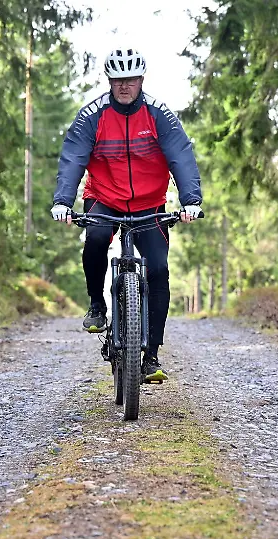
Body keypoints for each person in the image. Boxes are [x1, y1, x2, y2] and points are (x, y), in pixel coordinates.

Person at [50, 47, 203, 381]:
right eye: (118, 80)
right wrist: (63, 201)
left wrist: (191, 200)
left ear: (141, 80)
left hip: (149, 203)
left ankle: (151, 356)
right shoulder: (92, 116)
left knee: (159, 270)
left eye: (130, 80)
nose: (124, 86)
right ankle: (97, 305)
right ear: (109, 81)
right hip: (104, 197)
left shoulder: (159, 114)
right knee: (96, 238)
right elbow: (73, 158)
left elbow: (181, 156)